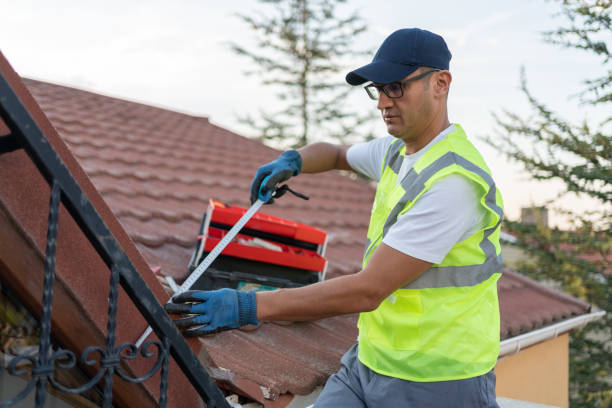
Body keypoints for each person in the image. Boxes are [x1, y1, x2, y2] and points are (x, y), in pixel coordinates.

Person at [166, 28, 503, 407]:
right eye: (377, 89)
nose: (382, 103)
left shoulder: (453, 182)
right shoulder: (397, 151)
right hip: (370, 362)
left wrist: (248, 307)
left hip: (437, 381)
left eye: (395, 87)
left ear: (440, 84)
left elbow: (368, 289)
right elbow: (337, 154)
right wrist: (292, 162)